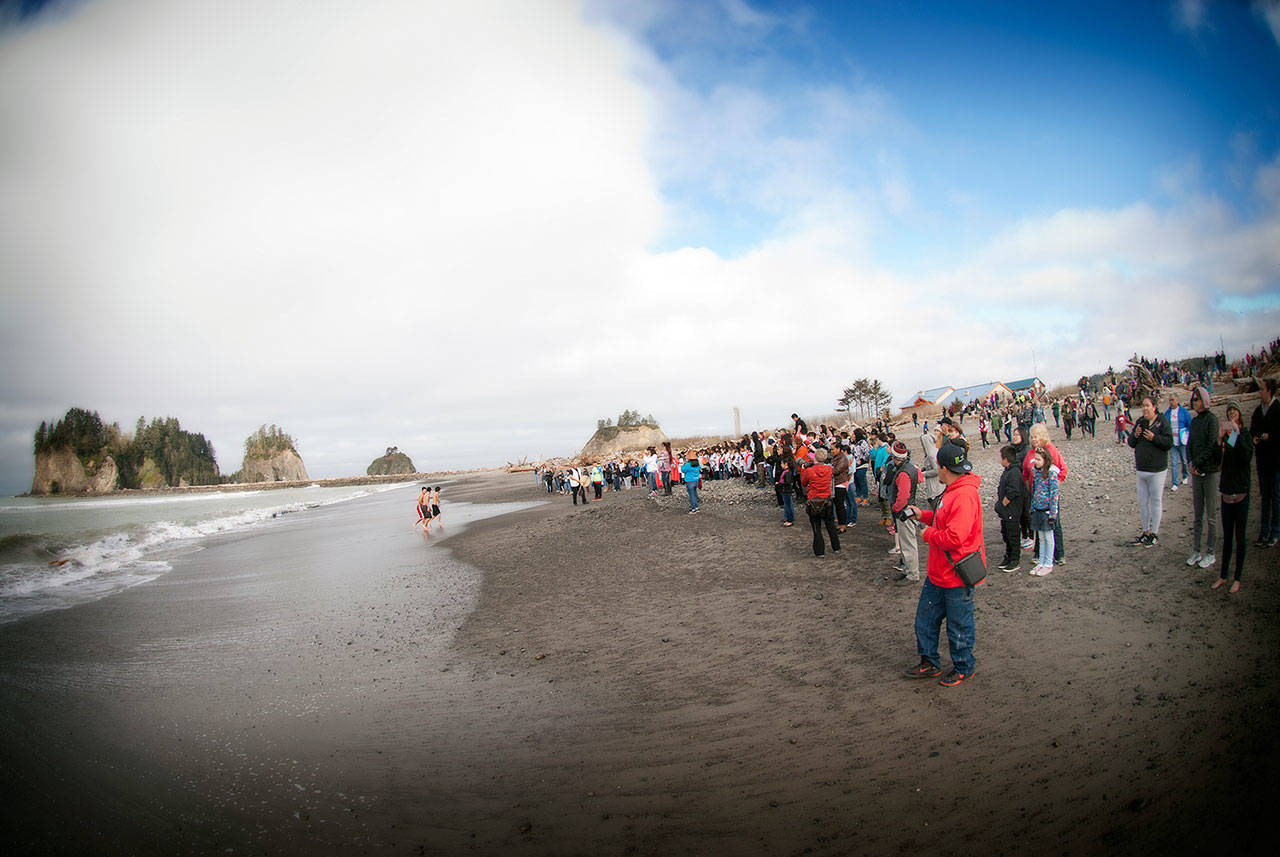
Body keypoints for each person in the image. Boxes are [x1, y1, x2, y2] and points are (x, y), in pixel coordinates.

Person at [903, 441, 982, 687]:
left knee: (959, 625)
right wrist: (922, 515)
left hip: (956, 573)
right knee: (925, 620)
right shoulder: (953, 488)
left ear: (944, 468)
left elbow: (955, 537)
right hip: (939, 572)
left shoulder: (964, 494)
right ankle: (930, 662)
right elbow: (943, 520)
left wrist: (927, 534)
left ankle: (963, 667)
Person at [1214, 401, 1254, 592]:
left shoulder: (1244, 435)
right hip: (1227, 491)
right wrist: (1220, 439)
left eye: (1235, 411)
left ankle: (1237, 578)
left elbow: (1246, 457)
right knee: (1227, 537)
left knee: (1240, 537)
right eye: (1229, 411)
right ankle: (1223, 575)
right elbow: (1219, 461)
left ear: (1239, 413)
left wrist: (1237, 433)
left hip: (1241, 491)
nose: (1232, 414)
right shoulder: (1228, 438)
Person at [1128, 396, 1173, 547]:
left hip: (1157, 470)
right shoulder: (1141, 421)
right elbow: (1131, 443)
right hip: (1142, 470)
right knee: (1142, 502)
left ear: (1154, 407)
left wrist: (1154, 438)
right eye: (1143, 405)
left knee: (1155, 500)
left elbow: (1168, 443)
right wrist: (1135, 435)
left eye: (1148, 405)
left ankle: (1154, 533)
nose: (1145, 408)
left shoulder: (1162, 422)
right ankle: (1145, 531)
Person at [1186, 386, 1220, 569]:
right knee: (1197, 515)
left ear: (1204, 400)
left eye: (1197, 399)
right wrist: (1190, 463)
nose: (1194, 402)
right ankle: (1196, 550)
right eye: (1193, 399)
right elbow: (1189, 443)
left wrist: (1196, 463)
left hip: (1209, 472)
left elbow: (1212, 446)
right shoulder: (1195, 421)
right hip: (1196, 472)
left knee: (1211, 516)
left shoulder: (1212, 420)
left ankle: (1211, 552)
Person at [1023, 424, 1068, 565]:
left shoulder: (1051, 451)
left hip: (1049, 497)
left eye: (1036, 436)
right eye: (1032, 437)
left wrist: (1054, 487)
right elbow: (1025, 472)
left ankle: (1059, 554)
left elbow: (1063, 470)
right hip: (1035, 496)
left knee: (1054, 524)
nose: (1034, 439)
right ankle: (1038, 554)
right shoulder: (1031, 453)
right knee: (1037, 525)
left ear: (1042, 436)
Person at [1250, 379, 1280, 547]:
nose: (1259, 392)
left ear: (1269, 391)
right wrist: (1255, 437)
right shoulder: (1258, 410)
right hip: (1262, 462)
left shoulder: (1277, 409)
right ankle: (1263, 532)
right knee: (1265, 498)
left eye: (1262, 389)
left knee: (1275, 497)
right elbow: (1253, 428)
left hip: (1275, 462)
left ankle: (1274, 532)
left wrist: (1271, 436)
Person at [887, 441, 921, 583]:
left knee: (908, 544)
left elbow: (902, 498)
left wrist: (895, 508)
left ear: (895, 458)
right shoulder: (911, 468)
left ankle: (912, 574)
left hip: (904, 512)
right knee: (908, 542)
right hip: (910, 509)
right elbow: (920, 478)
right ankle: (908, 570)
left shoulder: (903, 474)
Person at [799, 448, 840, 557]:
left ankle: (819, 551)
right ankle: (836, 547)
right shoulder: (829, 469)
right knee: (830, 524)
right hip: (827, 499)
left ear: (815, 458)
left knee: (816, 527)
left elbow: (803, 483)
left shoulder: (809, 471)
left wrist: (803, 470)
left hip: (813, 500)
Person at [1028, 448, 1059, 576]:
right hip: (1037, 509)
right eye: (1035, 459)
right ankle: (1041, 562)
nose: (1036, 461)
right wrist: (1032, 507)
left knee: (1048, 537)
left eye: (1039, 459)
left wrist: (1053, 513)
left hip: (1047, 511)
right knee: (1040, 537)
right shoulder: (1036, 473)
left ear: (1045, 460)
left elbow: (1054, 494)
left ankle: (1048, 563)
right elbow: (1034, 490)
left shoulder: (1051, 474)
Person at [995, 445, 1024, 571]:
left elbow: (1013, 491)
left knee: (1013, 534)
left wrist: (1003, 504)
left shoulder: (1014, 472)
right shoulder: (1008, 471)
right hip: (1006, 512)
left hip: (1012, 510)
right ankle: (1008, 556)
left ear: (1006, 459)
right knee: (1006, 534)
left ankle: (1015, 559)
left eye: (1001, 458)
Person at [1164, 393, 1192, 492]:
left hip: (1182, 439)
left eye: (1172, 400)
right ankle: (1175, 482)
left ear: (1177, 400)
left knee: (1184, 460)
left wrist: (1187, 434)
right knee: (1174, 462)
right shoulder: (1167, 413)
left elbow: (1190, 424)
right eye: (1170, 400)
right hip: (1172, 441)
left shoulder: (1184, 412)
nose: (1171, 402)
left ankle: (1185, 475)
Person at [831, 442, 852, 532]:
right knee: (837, 504)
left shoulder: (842, 458)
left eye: (833, 449)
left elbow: (837, 470)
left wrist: (828, 468)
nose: (831, 451)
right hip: (836, 483)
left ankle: (843, 525)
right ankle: (840, 524)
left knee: (840, 505)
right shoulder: (836, 457)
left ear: (838, 449)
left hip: (841, 483)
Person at [776, 454, 796, 527]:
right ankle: (788, 517)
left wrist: (779, 484)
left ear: (786, 464)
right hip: (785, 490)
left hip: (786, 490)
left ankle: (789, 519)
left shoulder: (787, 472)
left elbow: (787, 482)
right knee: (787, 504)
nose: (781, 465)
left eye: (782, 463)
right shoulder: (786, 471)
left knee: (788, 505)